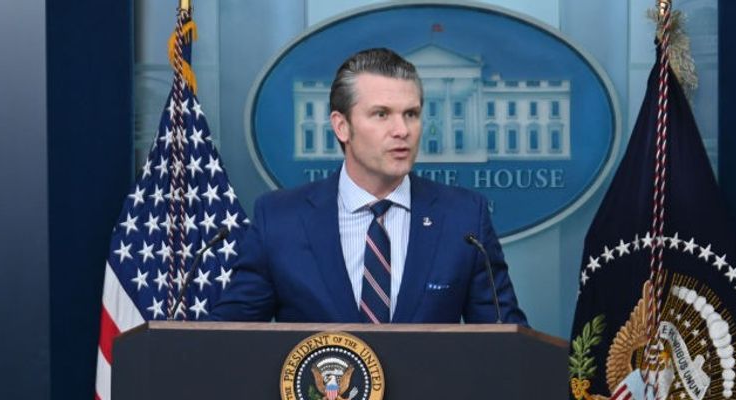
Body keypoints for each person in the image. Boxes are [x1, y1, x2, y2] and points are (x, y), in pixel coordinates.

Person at [210, 48, 527, 324]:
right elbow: (230, 339)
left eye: (412, 114)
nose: (402, 130)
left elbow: (508, 345)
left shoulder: (464, 219)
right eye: (381, 114)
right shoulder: (280, 219)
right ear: (342, 126)